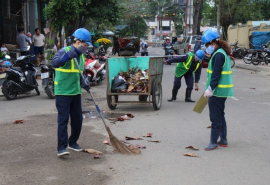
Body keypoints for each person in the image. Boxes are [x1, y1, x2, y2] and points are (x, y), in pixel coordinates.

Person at [51, 28, 92, 157]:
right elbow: (55, 63)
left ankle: (72, 142)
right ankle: (61, 148)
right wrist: (67, 57)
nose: (86, 48)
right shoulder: (64, 52)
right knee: (63, 120)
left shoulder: (81, 56)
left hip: (75, 92)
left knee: (77, 119)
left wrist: (84, 81)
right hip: (63, 92)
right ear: (78, 42)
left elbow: (81, 72)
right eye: (85, 45)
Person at [202, 29, 234, 151]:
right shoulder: (221, 53)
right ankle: (223, 140)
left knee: (215, 117)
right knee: (220, 115)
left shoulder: (218, 54)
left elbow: (216, 74)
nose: (207, 48)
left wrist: (210, 88)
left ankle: (213, 142)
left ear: (212, 43)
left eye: (207, 45)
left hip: (218, 91)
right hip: (221, 91)